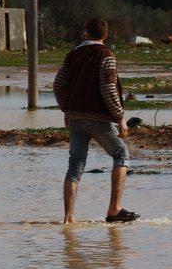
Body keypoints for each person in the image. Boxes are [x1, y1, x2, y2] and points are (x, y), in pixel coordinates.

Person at [53, 17, 139, 224]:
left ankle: (69, 218)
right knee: (121, 154)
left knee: (75, 165)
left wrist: (67, 110)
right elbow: (108, 89)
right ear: (106, 35)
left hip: (74, 118)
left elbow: (58, 85)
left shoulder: (73, 55)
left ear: (87, 33)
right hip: (97, 118)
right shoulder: (106, 54)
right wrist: (120, 118)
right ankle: (114, 209)